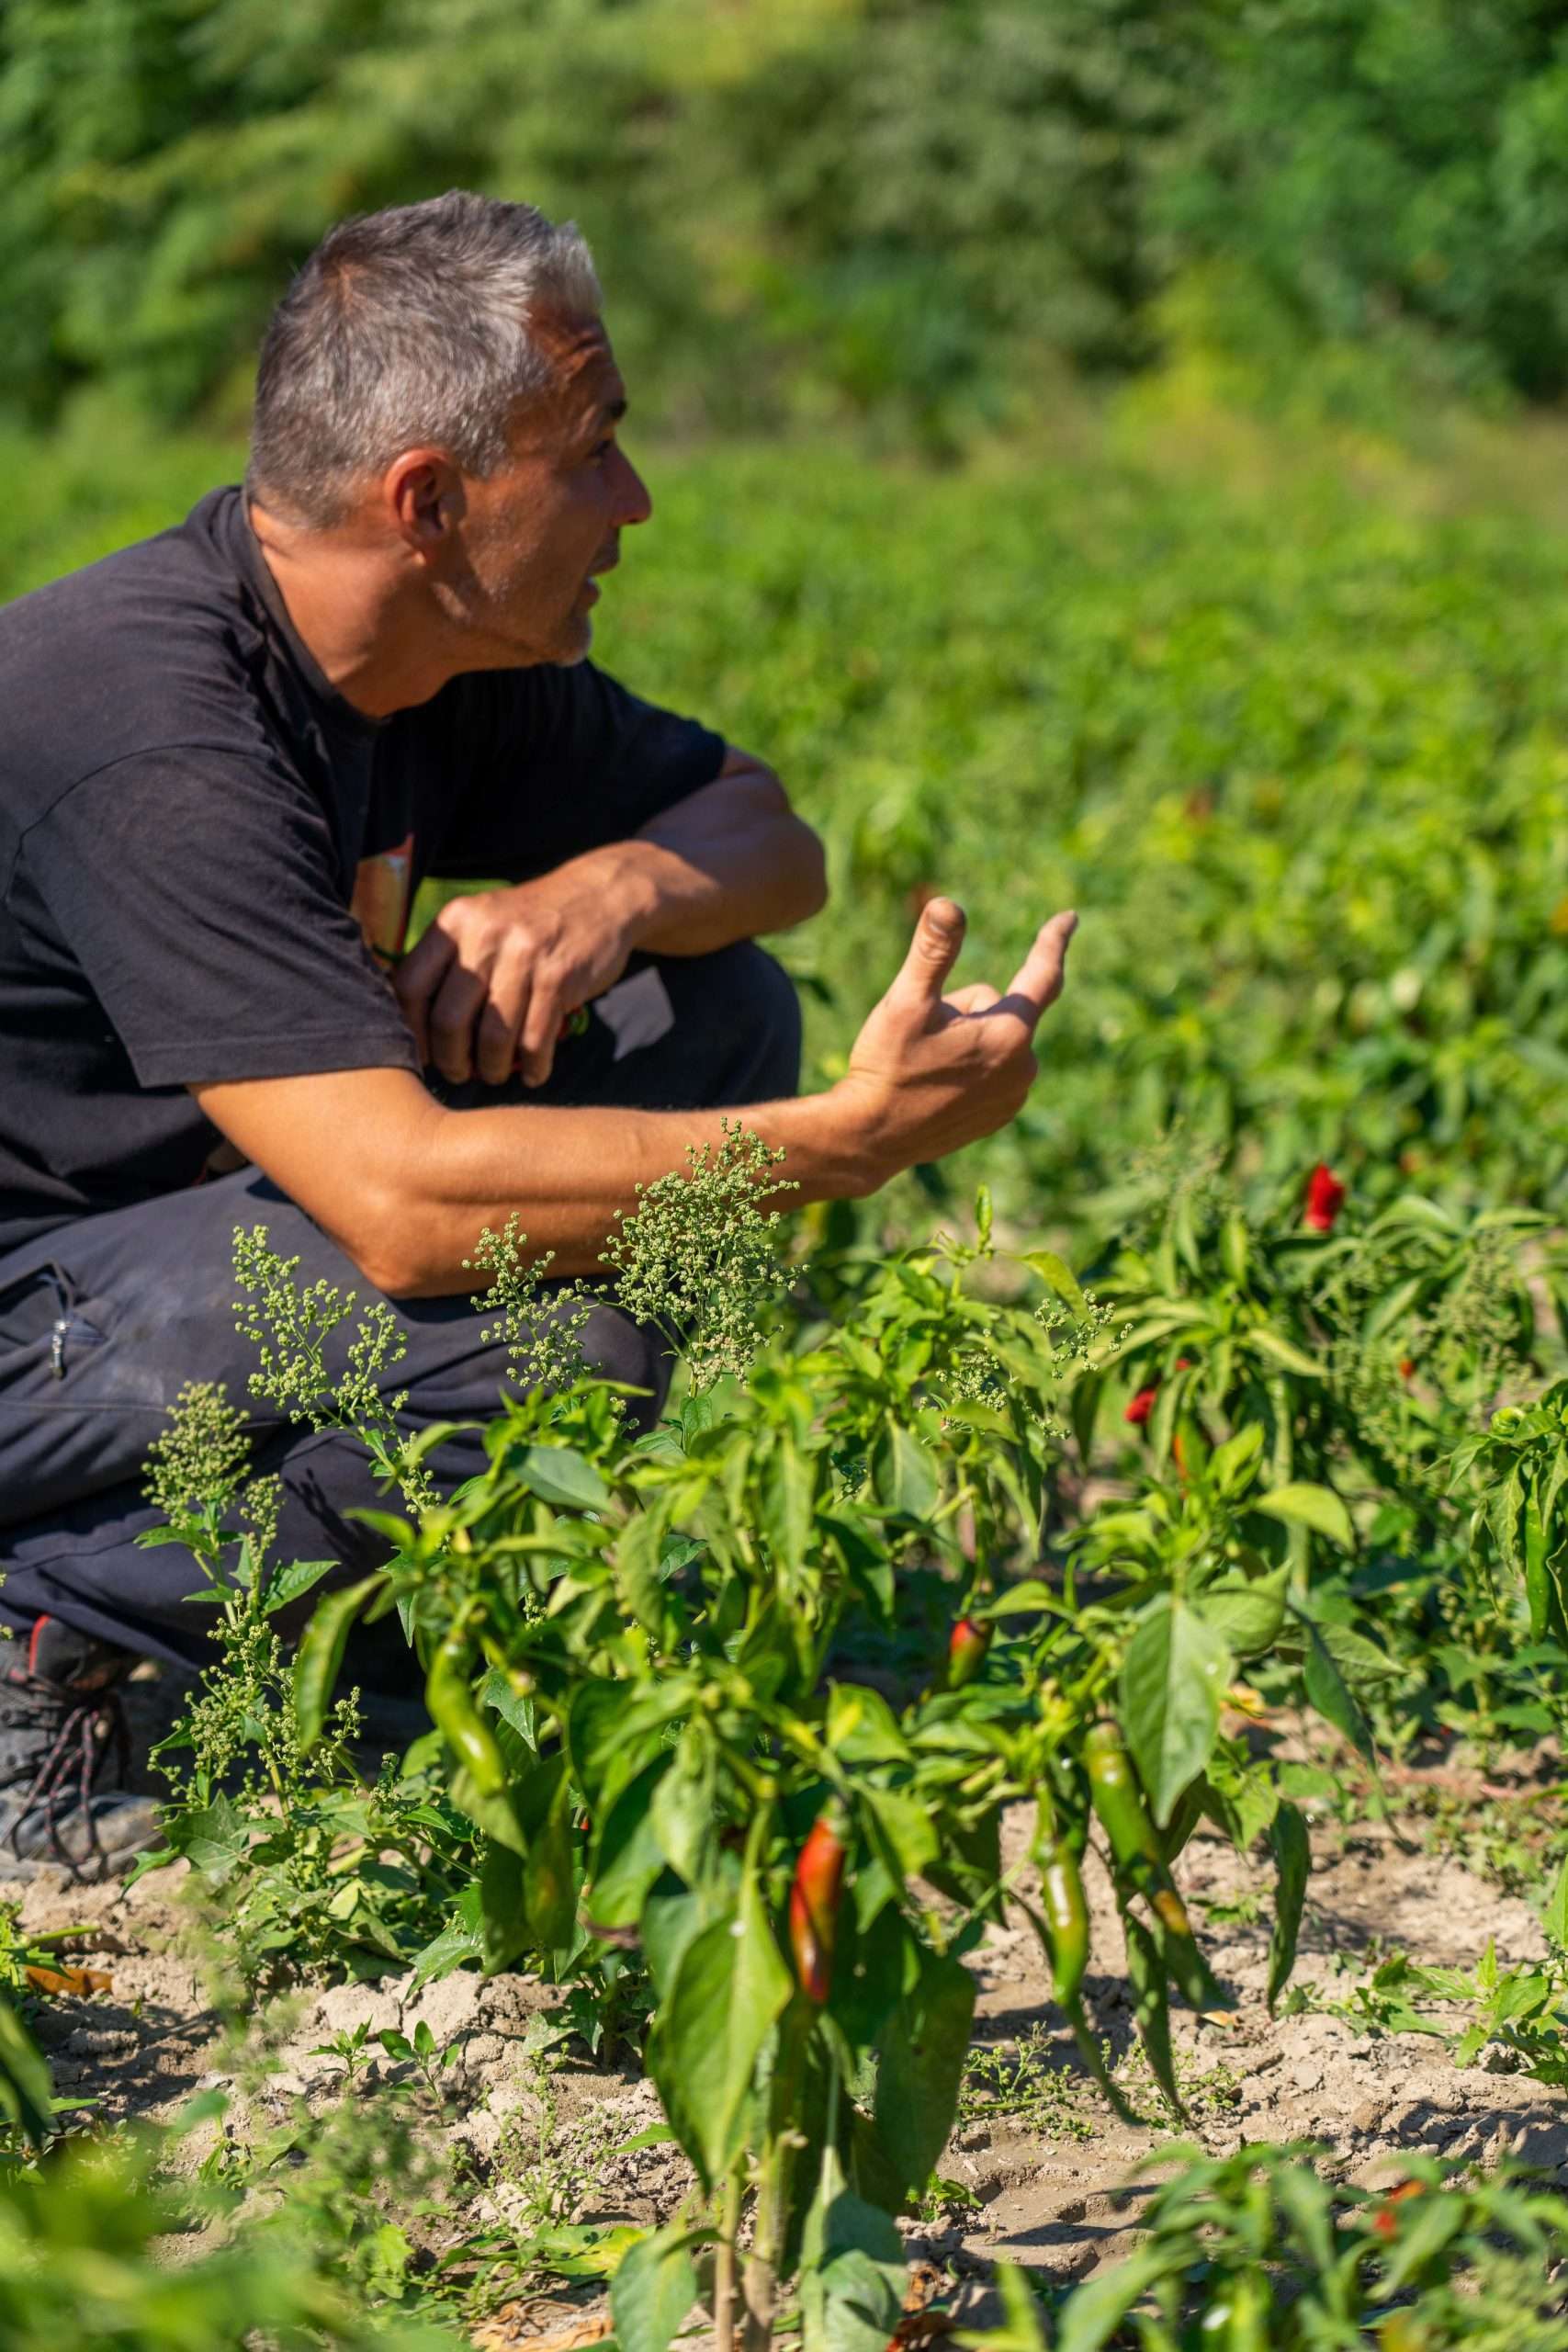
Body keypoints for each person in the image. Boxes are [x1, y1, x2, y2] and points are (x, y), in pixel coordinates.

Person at [0, 191, 1076, 1876]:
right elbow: (404, 1207)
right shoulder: (149, 722)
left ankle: (351, 1626)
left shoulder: (437, 658)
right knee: (545, 1333)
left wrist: (611, 889)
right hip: (32, 1303)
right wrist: (850, 1145)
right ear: (429, 502)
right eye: (593, 452)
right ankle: (51, 1635)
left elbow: (771, 840)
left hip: (163, 1250)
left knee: (709, 1005)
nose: (634, 501)